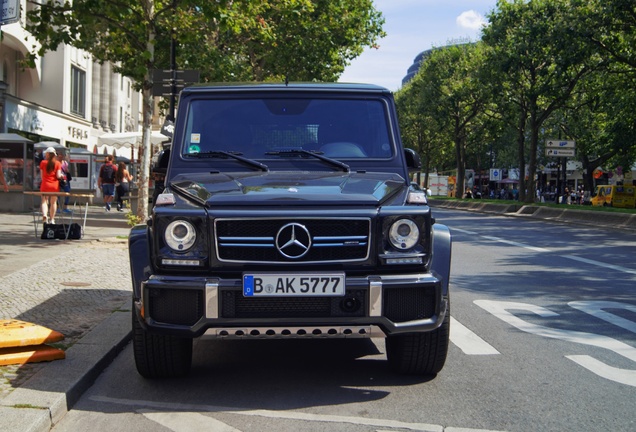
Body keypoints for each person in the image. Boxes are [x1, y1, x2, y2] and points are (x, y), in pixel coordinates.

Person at [39, 147, 64, 224]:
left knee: (44, 201)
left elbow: (41, 176)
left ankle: (44, 215)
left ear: (47, 154)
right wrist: (63, 176)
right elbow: (58, 176)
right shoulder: (57, 163)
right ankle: (52, 219)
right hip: (54, 186)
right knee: (53, 202)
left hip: (45, 185)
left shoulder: (43, 163)